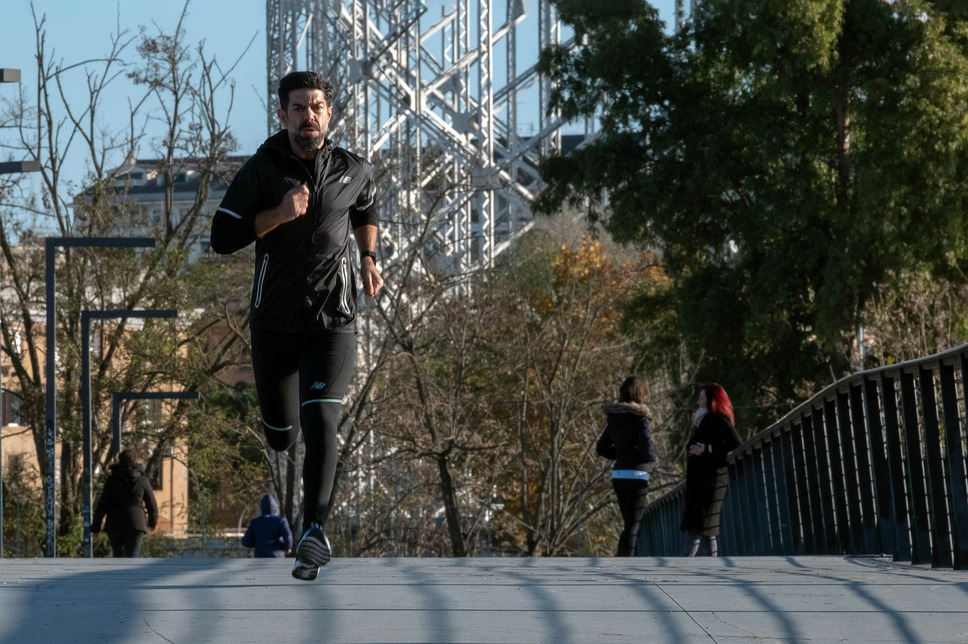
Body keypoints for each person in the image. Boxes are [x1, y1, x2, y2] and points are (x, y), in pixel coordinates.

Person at [210, 71, 384, 581]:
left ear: (329, 113)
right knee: (283, 436)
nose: (309, 116)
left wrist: (369, 255)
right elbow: (222, 237)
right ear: (282, 115)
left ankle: (313, 531)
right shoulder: (263, 169)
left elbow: (366, 205)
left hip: (334, 319)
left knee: (323, 421)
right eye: (299, 108)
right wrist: (278, 215)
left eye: (318, 107)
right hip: (274, 324)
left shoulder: (354, 168)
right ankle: (283, 441)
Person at [596, 376, 658, 557]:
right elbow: (647, 450)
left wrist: (622, 456)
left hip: (619, 475)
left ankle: (630, 560)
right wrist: (649, 458)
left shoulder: (614, 418)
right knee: (633, 527)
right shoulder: (640, 418)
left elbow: (601, 448)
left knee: (629, 524)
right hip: (637, 475)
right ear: (641, 394)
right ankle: (624, 564)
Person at [680, 383, 742, 557]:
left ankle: (683, 566)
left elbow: (735, 443)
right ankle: (712, 565)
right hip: (699, 480)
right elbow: (691, 443)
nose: (698, 401)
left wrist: (707, 449)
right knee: (706, 527)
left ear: (711, 400)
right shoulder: (702, 420)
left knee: (698, 525)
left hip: (711, 481)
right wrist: (694, 447)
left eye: (702, 398)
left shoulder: (720, 419)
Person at [91, 448, 158, 557]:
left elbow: (102, 504)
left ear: (120, 460)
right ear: (135, 461)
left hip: (115, 523)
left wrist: (95, 528)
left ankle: (119, 573)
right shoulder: (142, 480)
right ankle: (131, 574)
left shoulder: (112, 480)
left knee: (118, 557)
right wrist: (152, 522)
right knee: (133, 557)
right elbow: (152, 504)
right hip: (136, 523)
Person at [241, 494, 293, 558]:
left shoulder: (255, 522)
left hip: (260, 559)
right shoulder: (281, 521)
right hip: (278, 557)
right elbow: (287, 536)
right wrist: (288, 547)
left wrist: (258, 543)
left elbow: (246, 542)